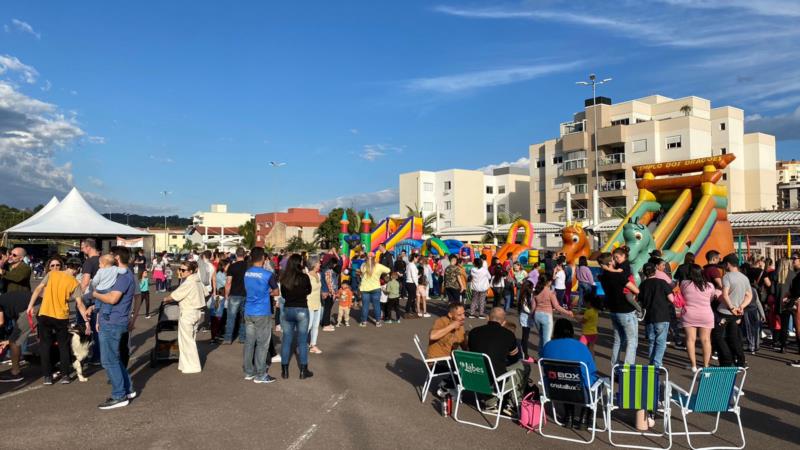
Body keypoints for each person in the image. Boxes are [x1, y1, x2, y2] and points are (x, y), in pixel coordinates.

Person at [27, 257, 86, 385]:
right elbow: (79, 303)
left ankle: (47, 376)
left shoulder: (51, 274)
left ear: (66, 266)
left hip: (45, 313)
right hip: (61, 316)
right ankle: (65, 375)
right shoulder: (75, 283)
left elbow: (38, 289)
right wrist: (86, 321)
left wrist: (30, 306)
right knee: (63, 346)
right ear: (77, 269)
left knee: (45, 345)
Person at [91, 247, 136, 409]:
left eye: (110, 255)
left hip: (113, 322)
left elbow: (112, 298)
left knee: (109, 360)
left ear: (116, 258)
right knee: (114, 358)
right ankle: (127, 389)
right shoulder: (122, 274)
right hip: (111, 320)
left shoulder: (123, 277)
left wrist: (94, 294)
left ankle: (119, 395)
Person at [540, 318, 599, 430]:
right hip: (580, 390)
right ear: (571, 331)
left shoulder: (548, 346)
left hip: (556, 388)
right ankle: (584, 418)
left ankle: (569, 416)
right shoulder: (581, 346)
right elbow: (592, 369)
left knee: (564, 377)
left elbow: (543, 363)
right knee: (593, 382)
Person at [467, 307, 525, 411]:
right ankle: (511, 403)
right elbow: (514, 359)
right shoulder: (509, 335)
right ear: (503, 322)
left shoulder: (473, 332)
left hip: (473, 376)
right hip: (494, 381)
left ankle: (496, 400)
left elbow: (471, 351)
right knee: (523, 367)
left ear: (487, 318)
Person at [242, 247, 279, 383]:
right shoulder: (268, 274)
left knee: (250, 342)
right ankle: (261, 374)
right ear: (263, 258)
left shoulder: (247, 273)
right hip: (262, 311)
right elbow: (276, 292)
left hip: (249, 310)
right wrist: (267, 292)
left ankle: (248, 371)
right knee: (263, 344)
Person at [163, 260, 205, 374]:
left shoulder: (189, 282)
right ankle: (185, 365)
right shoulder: (197, 280)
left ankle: (193, 366)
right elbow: (206, 292)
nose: (181, 271)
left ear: (190, 271)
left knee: (187, 341)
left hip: (188, 312)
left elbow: (175, 295)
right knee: (189, 339)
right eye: (180, 269)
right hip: (196, 312)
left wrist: (166, 299)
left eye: (183, 270)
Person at [598, 251, 640, 365]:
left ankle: (614, 368)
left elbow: (609, 272)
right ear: (610, 262)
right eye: (614, 259)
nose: (616, 260)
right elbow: (636, 290)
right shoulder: (619, 276)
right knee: (632, 341)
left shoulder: (602, 277)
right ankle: (627, 371)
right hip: (626, 312)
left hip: (613, 311)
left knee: (618, 341)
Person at [713, 254, 751, 367]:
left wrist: (731, 307)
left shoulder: (727, 276)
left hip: (724, 311)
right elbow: (749, 295)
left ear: (728, 264)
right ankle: (741, 361)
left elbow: (725, 295)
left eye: (724, 264)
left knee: (718, 337)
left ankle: (726, 360)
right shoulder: (744, 278)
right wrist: (741, 306)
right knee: (734, 337)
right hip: (737, 313)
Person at [280, 253, 314, 379]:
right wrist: (301, 293)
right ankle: (303, 371)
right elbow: (309, 290)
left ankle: (285, 371)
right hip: (301, 309)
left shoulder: (284, 277)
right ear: (299, 263)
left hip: (288, 309)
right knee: (302, 341)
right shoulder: (304, 277)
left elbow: (283, 295)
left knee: (287, 340)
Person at [680, 264, 719, 372]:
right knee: (706, 340)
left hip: (689, 314)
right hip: (706, 314)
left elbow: (682, 295)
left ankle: (693, 366)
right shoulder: (710, 286)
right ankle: (706, 366)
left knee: (690, 339)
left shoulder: (684, 284)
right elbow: (711, 299)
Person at [638, 262, 675, 368]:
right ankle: (657, 365)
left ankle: (651, 364)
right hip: (662, 315)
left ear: (645, 273)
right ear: (655, 271)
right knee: (661, 342)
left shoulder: (643, 284)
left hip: (649, 316)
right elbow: (671, 299)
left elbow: (639, 300)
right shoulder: (662, 282)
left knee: (652, 341)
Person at [531, 273, 574, 355]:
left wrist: (531, 317)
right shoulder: (550, 293)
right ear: (549, 282)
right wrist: (568, 312)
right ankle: (545, 357)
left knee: (541, 337)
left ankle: (540, 355)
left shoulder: (536, 291)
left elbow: (533, 307)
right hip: (546, 316)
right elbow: (557, 306)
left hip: (537, 315)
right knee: (546, 339)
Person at [0, 291, 38, 382]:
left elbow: (0, 321)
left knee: (14, 340)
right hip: (39, 303)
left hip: (33, 308)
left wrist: (9, 340)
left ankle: (15, 373)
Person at [223, 247, 248, 345]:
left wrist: (226, 294)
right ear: (245, 255)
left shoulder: (232, 266)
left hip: (234, 294)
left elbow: (228, 282)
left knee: (231, 317)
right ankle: (242, 337)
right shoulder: (248, 266)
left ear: (236, 255)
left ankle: (228, 338)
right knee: (243, 318)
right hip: (246, 294)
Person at [359, 254, 391, 327]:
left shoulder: (363, 265)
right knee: (376, 305)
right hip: (376, 288)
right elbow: (388, 270)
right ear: (374, 258)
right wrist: (381, 273)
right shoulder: (378, 266)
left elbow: (361, 272)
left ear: (366, 258)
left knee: (365, 306)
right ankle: (378, 322)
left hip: (365, 288)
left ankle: (364, 322)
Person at [307, 255, 323, 354]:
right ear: (314, 264)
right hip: (308, 303)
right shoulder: (307, 276)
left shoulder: (319, 275)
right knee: (308, 326)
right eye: (318, 262)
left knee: (316, 326)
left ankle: (313, 345)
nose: (320, 264)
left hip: (318, 303)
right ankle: (301, 344)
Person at [320, 257, 339, 332]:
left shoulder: (325, 270)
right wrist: (333, 293)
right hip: (328, 292)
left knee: (327, 308)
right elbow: (329, 283)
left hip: (326, 291)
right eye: (335, 264)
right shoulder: (328, 271)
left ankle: (325, 322)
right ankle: (326, 325)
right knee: (327, 309)